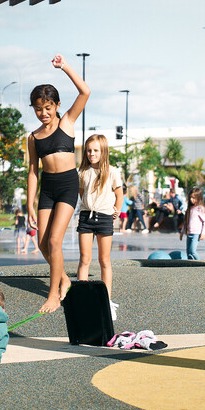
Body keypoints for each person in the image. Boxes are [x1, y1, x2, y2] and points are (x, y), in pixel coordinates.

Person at [26, 53, 89, 313]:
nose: (43, 113)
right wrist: (29, 203)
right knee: (42, 242)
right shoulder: (34, 137)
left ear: (56, 105)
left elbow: (85, 92)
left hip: (67, 185)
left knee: (54, 241)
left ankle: (53, 295)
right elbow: (32, 172)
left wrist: (64, 67)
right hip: (47, 189)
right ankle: (63, 278)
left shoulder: (68, 122)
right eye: (38, 109)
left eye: (48, 108)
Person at [76, 134, 123, 319]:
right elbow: (81, 194)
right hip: (86, 217)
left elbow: (119, 195)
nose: (91, 154)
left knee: (104, 261)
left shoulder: (112, 171)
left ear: (103, 151)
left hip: (104, 218)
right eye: (89, 150)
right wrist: (89, 205)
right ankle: (82, 299)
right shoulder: (83, 172)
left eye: (95, 150)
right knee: (84, 259)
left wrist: (116, 211)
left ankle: (107, 301)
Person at [179, 187, 205, 260]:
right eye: (191, 197)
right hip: (189, 233)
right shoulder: (190, 208)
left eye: (194, 198)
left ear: (198, 198)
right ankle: (190, 266)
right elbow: (186, 221)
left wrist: (203, 233)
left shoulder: (199, 208)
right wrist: (182, 232)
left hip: (196, 234)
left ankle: (200, 263)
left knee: (193, 251)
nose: (192, 199)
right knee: (188, 252)